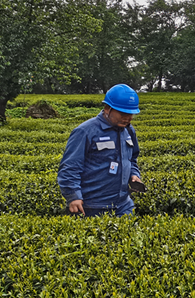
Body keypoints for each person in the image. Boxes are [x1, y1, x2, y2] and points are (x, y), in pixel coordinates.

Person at [58, 84, 142, 216]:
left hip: (123, 205)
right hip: (92, 206)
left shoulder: (129, 130)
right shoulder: (85, 131)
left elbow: (132, 158)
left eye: (131, 113)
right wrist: (73, 196)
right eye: (123, 113)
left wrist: (134, 174)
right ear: (108, 109)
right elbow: (70, 167)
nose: (128, 117)